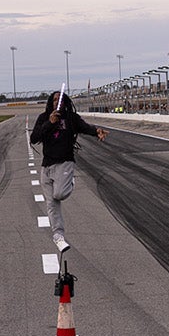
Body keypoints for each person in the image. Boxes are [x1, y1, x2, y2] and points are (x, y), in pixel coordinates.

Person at [31, 90, 108, 254]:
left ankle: (70, 181)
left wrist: (97, 131)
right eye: (54, 100)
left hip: (64, 163)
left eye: (60, 100)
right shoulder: (44, 117)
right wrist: (50, 123)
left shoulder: (71, 118)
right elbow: (34, 138)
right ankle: (58, 235)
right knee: (51, 204)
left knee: (59, 194)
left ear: (65, 102)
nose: (56, 102)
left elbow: (85, 127)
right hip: (47, 166)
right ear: (50, 102)